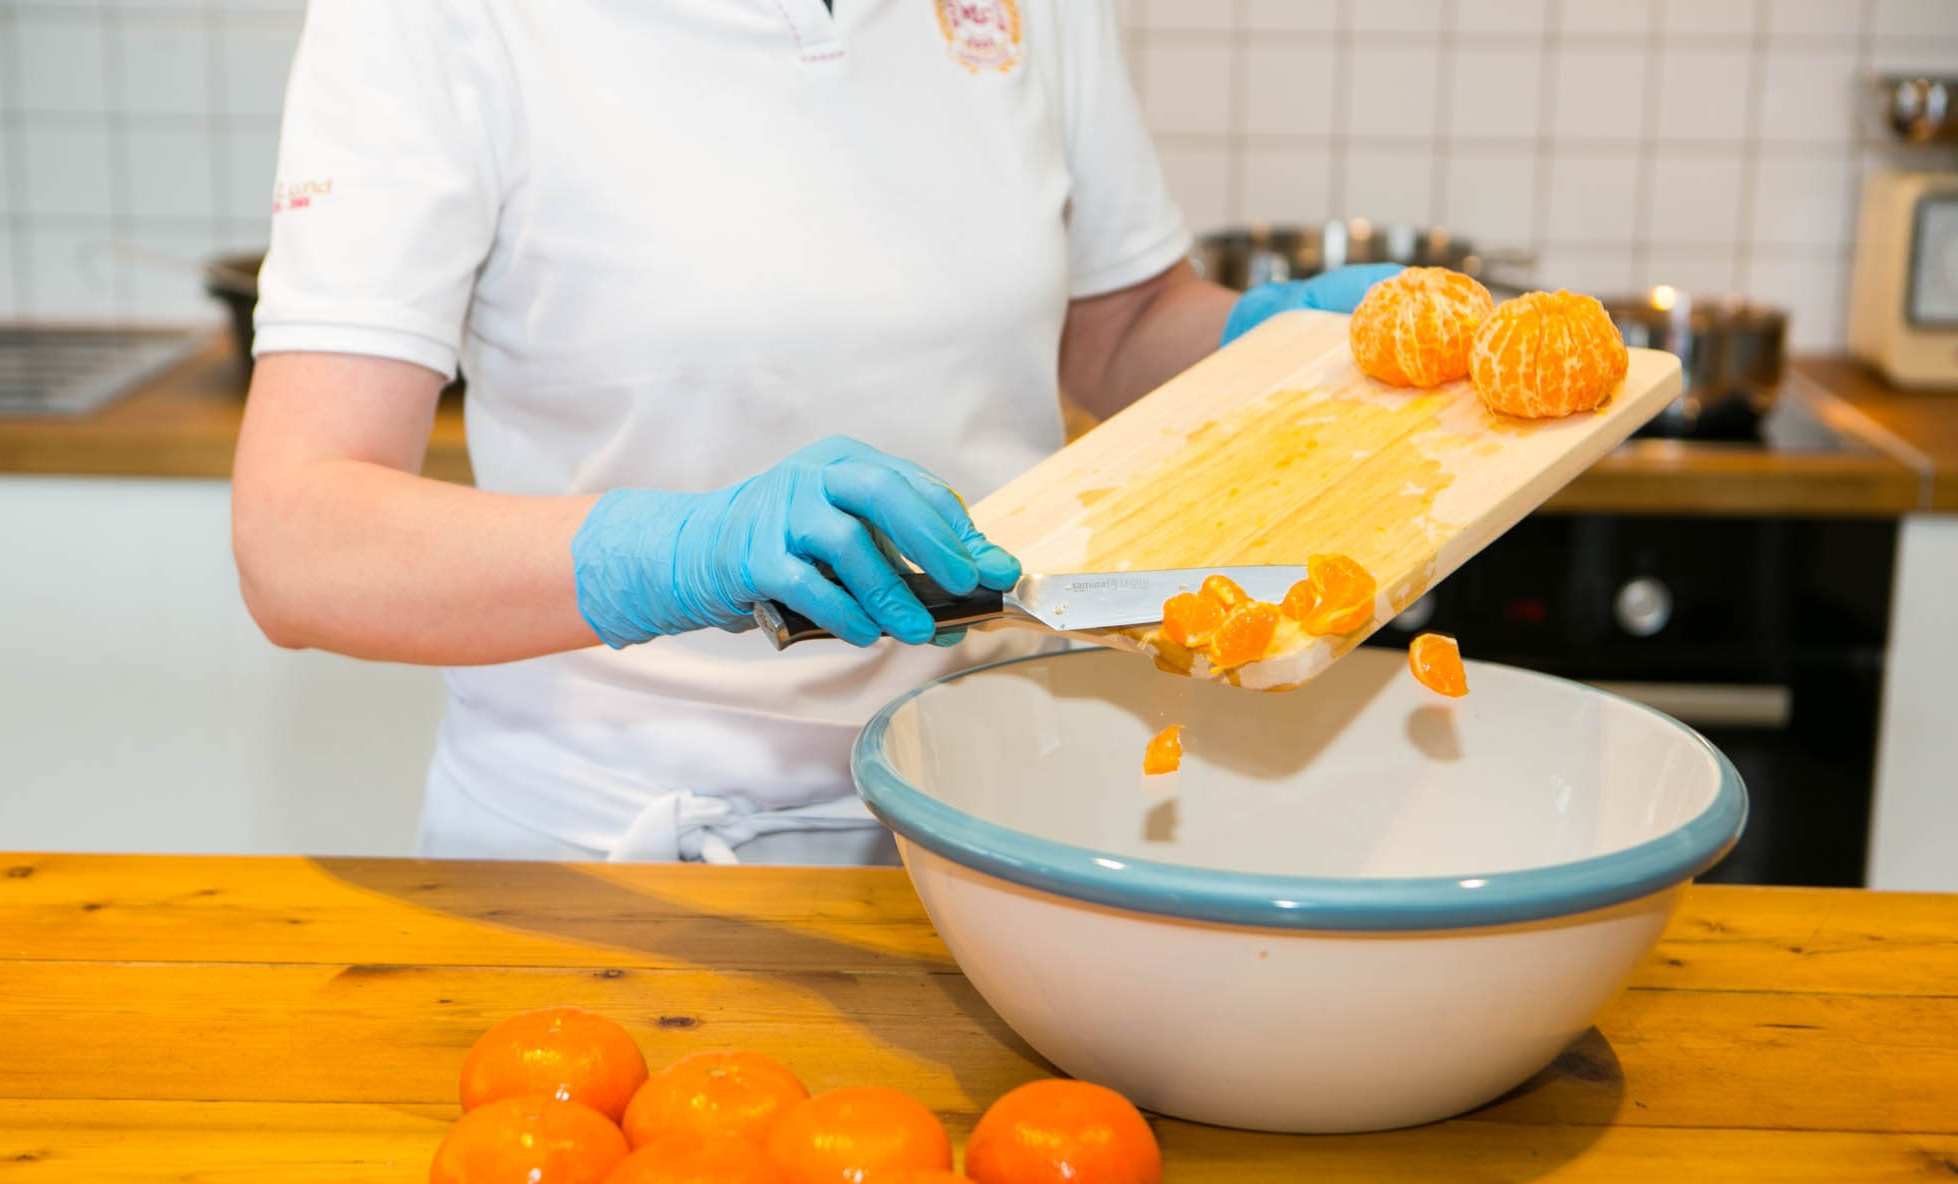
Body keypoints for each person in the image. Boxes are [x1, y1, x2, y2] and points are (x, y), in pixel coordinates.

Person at [231, 0, 1397, 867]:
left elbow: (1119, 324)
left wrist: (1274, 341)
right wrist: (680, 552)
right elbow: (299, 538)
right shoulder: (434, 23)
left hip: (1004, 822)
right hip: (614, 865)